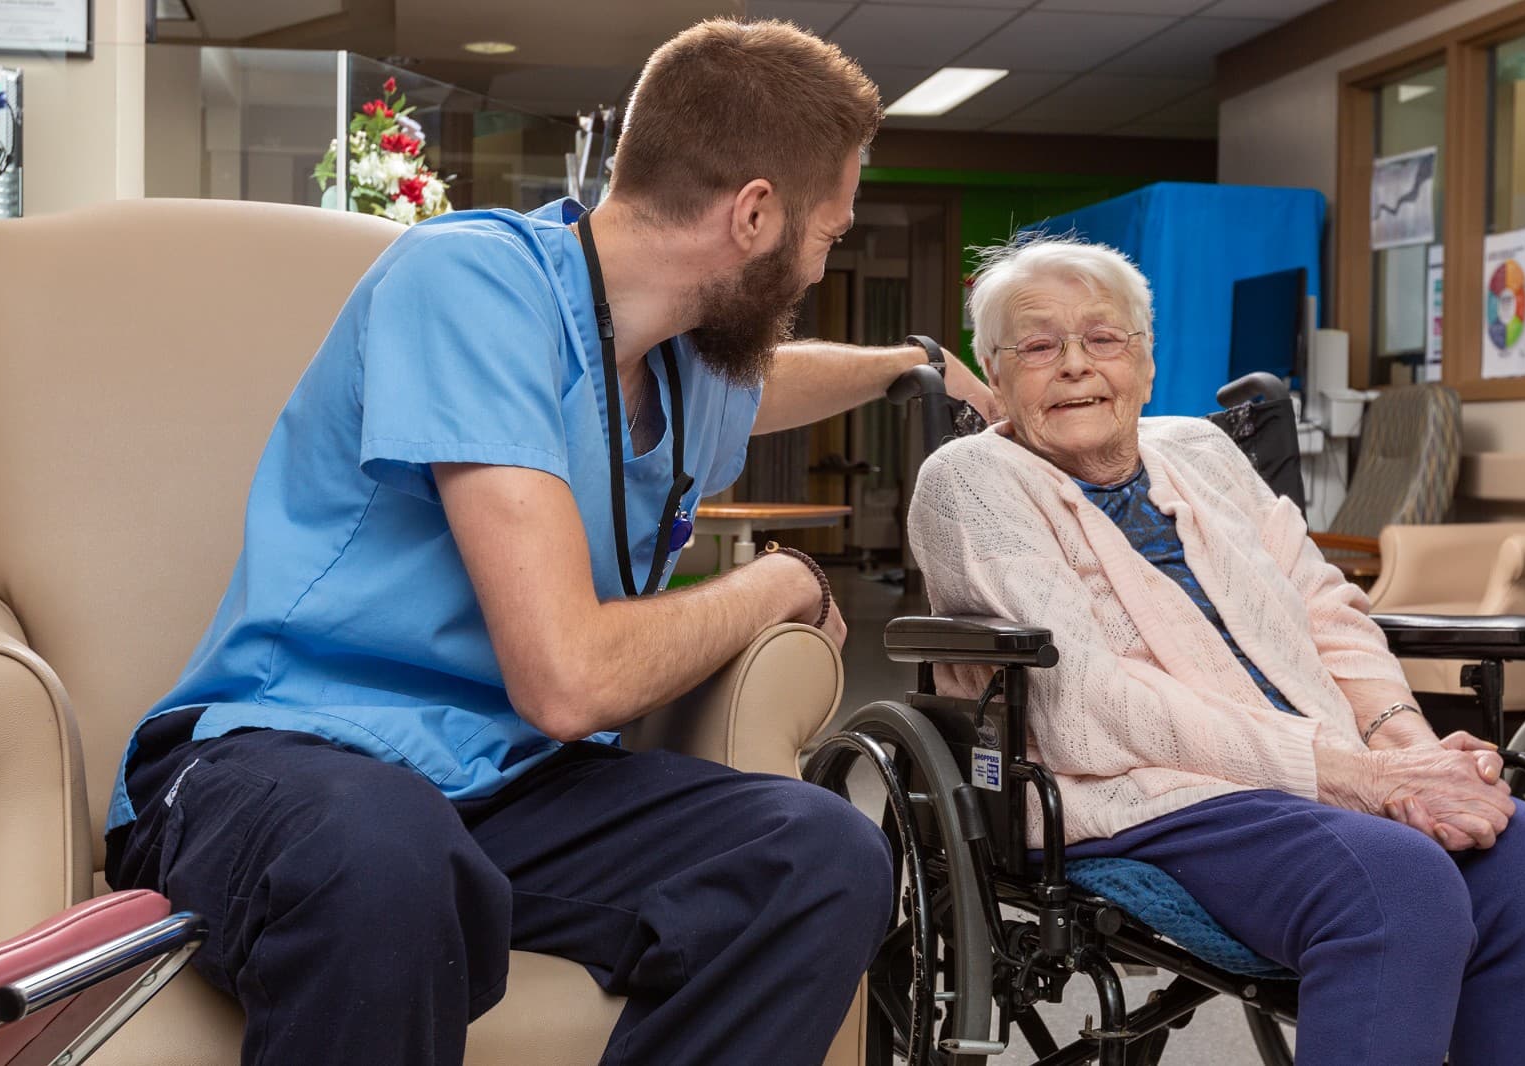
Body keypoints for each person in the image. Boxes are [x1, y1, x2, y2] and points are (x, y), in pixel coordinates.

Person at [102, 19, 994, 1066]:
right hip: (292, 765)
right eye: (826, 235)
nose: (815, 268)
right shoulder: (469, 283)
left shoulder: (684, 362)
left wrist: (909, 365)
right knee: (384, 853)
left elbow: (767, 389)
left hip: (511, 786)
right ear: (753, 214)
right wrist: (775, 586)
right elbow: (565, 683)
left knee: (824, 851)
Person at [908, 234, 1525, 1066]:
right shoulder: (970, 479)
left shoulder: (1199, 450)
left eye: (1103, 338)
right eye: (1041, 345)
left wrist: (1408, 748)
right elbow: (1087, 706)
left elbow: (1326, 606)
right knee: (1396, 889)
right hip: (1147, 794)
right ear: (999, 380)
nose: (1077, 365)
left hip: (1328, 766)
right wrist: (1361, 778)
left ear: (1147, 364)